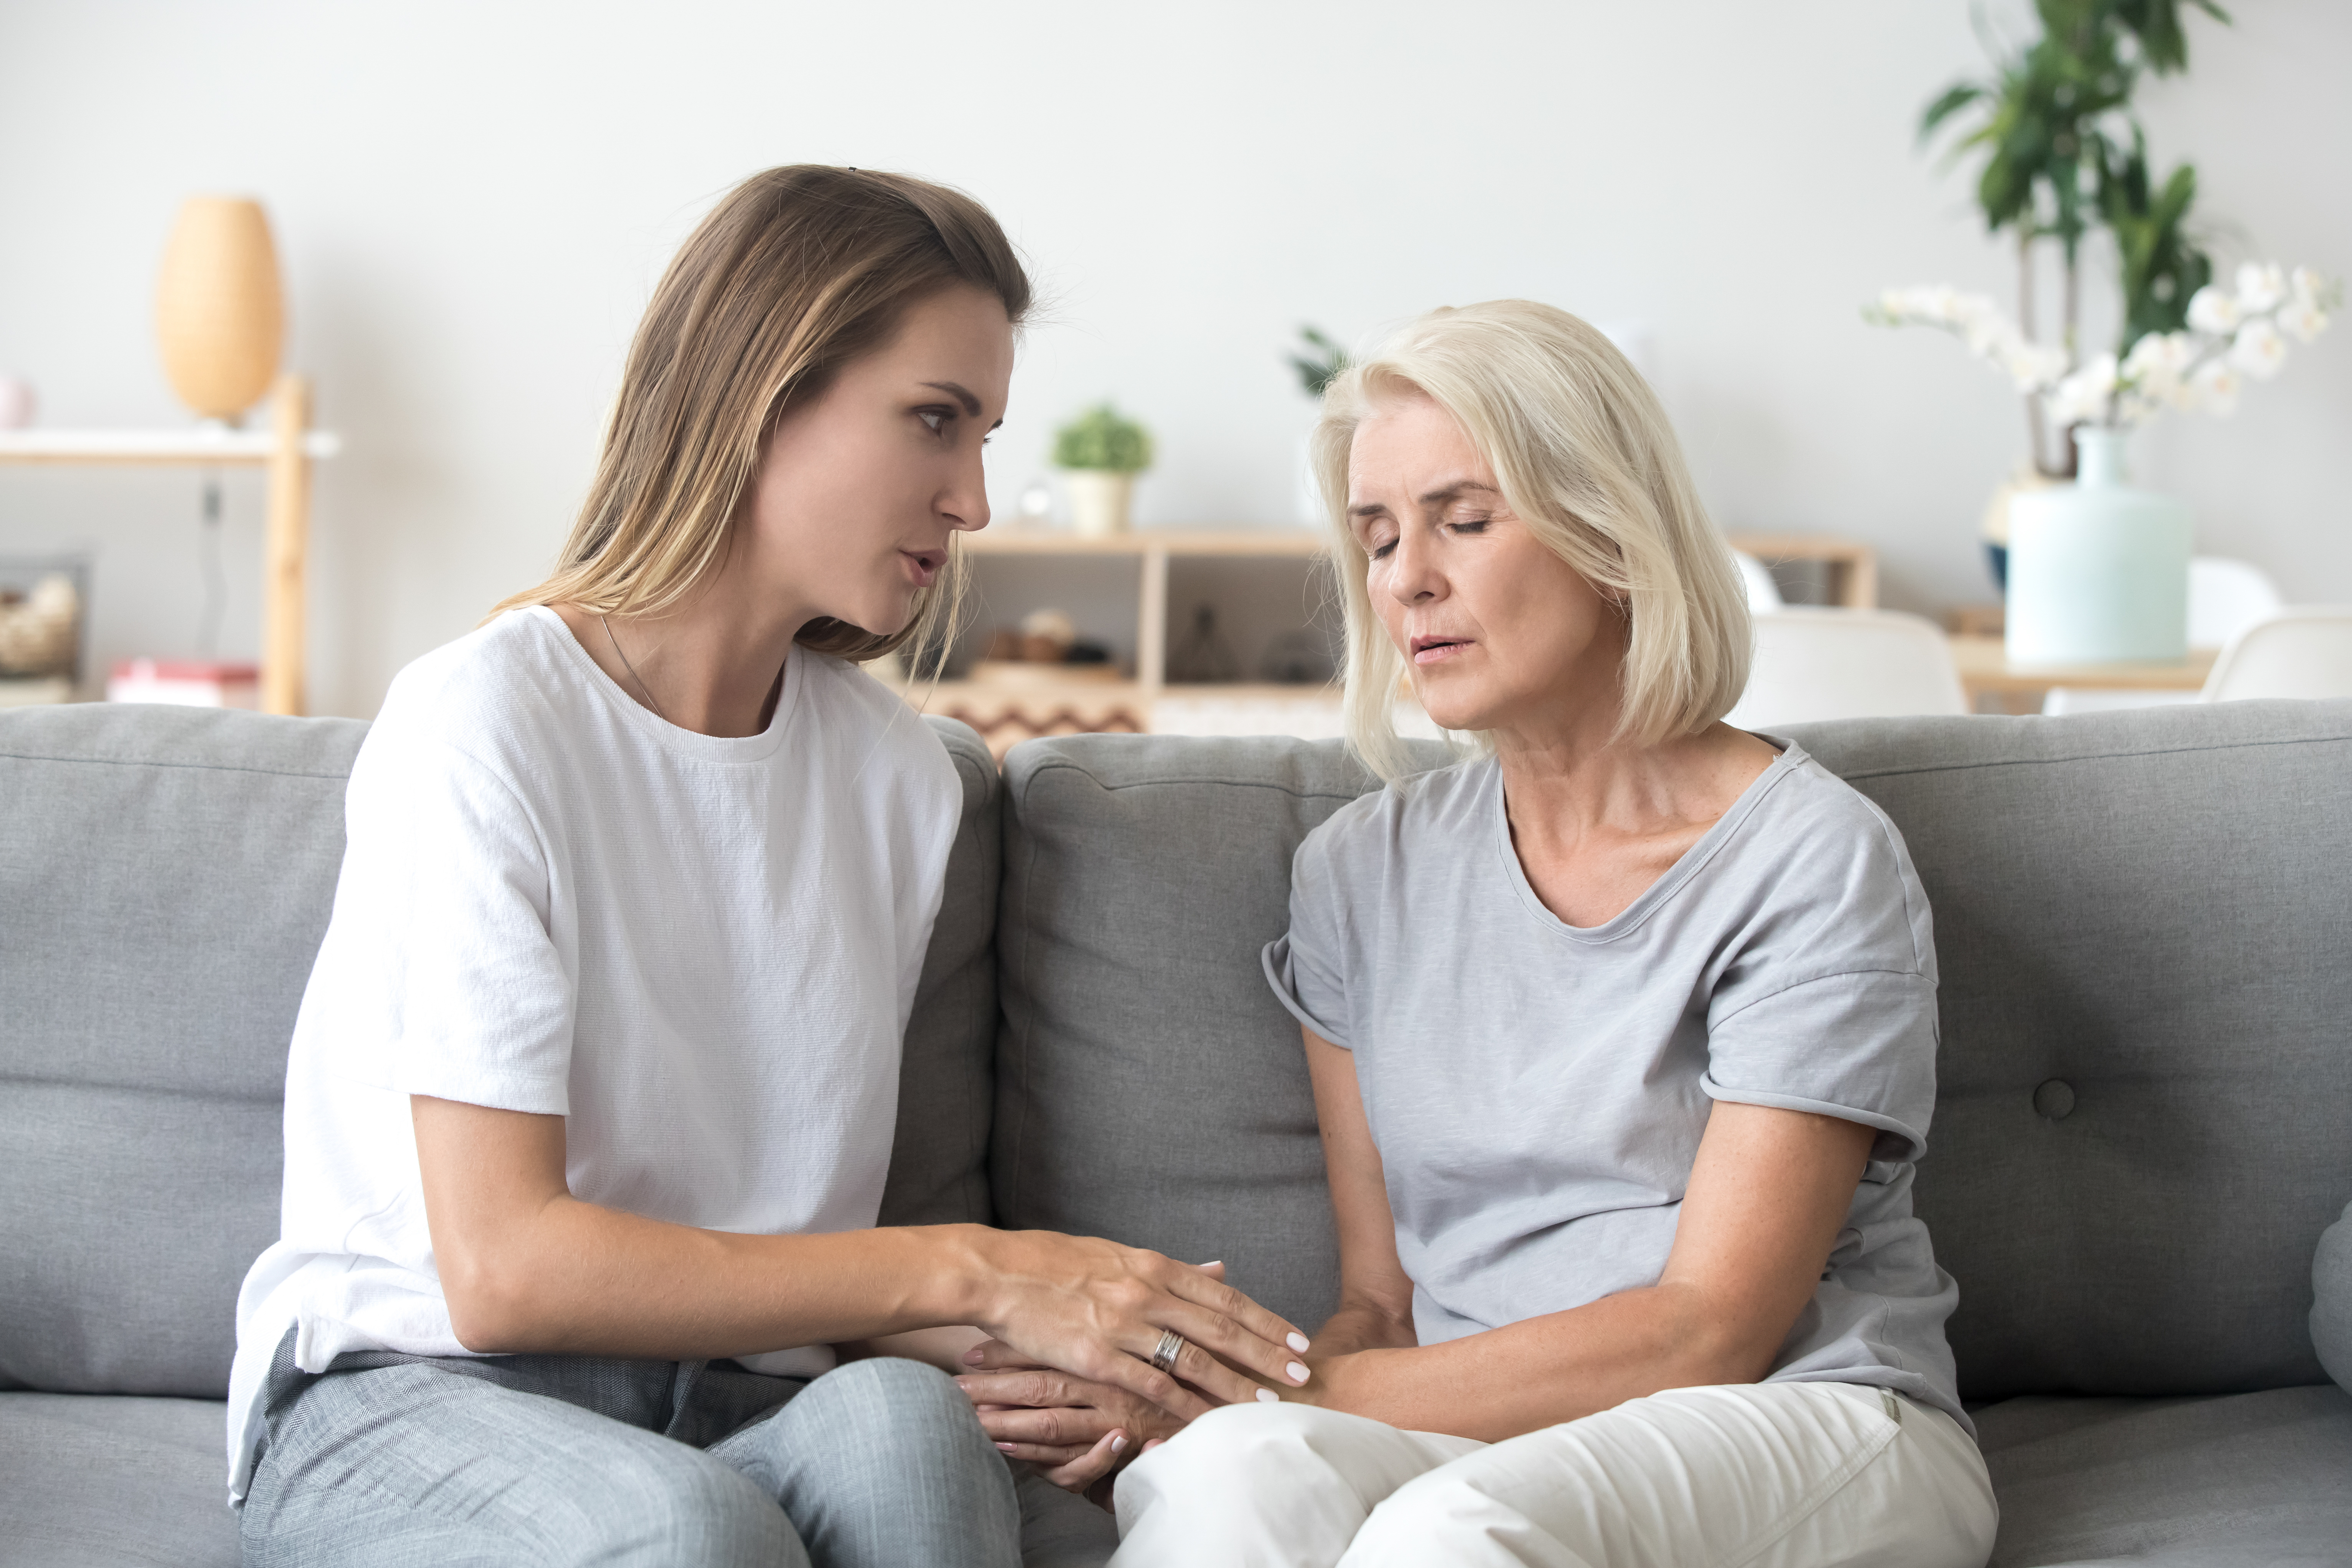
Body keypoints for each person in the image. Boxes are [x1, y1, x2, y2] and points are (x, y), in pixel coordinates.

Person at [227, 165, 1309, 1568]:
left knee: (912, 1440)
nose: (972, 498)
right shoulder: (487, 723)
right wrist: (985, 1269)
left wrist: (1086, 1344)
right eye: (933, 420)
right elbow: (501, 1270)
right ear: (763, 392)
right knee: (690, 1532)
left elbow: (798, 1256)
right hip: (412, 1399)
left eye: (982, 434)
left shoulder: (895, 781)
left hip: (734, 1391)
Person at [959, 301, 1998, 1566]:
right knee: (1228, 1475)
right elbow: (1379, 1304)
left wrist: (1228, 1389)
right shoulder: (1359, 874)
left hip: (1809, 1415)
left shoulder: (1808, 858)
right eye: (1379, 536)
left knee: (1449, 1531)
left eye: (1463, 520)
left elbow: (1707, 1328)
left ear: (1612, 530)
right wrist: (1208, 1400)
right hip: (1482, 1429)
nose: (1406, 580)